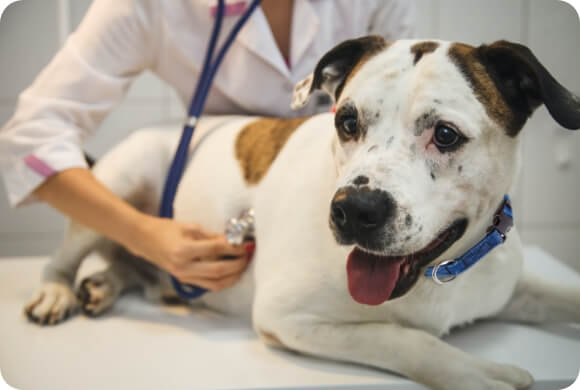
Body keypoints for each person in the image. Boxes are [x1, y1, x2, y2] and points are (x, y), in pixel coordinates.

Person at [0, 0, 415, 292]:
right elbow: (33, 135)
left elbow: (406, 100)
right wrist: (145, 235)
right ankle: (126, 270)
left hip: (327, 200)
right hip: (225, 197)